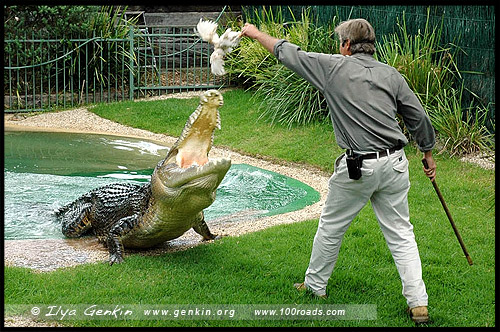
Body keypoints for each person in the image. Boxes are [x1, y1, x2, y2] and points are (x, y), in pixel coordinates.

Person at [241, 18, 436, 324]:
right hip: (396, 163)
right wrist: (427, 153)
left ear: (346, 45)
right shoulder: (391, 74)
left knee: (331, 227)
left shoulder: (331, 67)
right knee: (401, 234)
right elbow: (417, 116)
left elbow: (285, 51)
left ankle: (315, 286)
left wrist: (252, 32)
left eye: (339, 42)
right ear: (371, 44)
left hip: (358, 167)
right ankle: (418, 302)